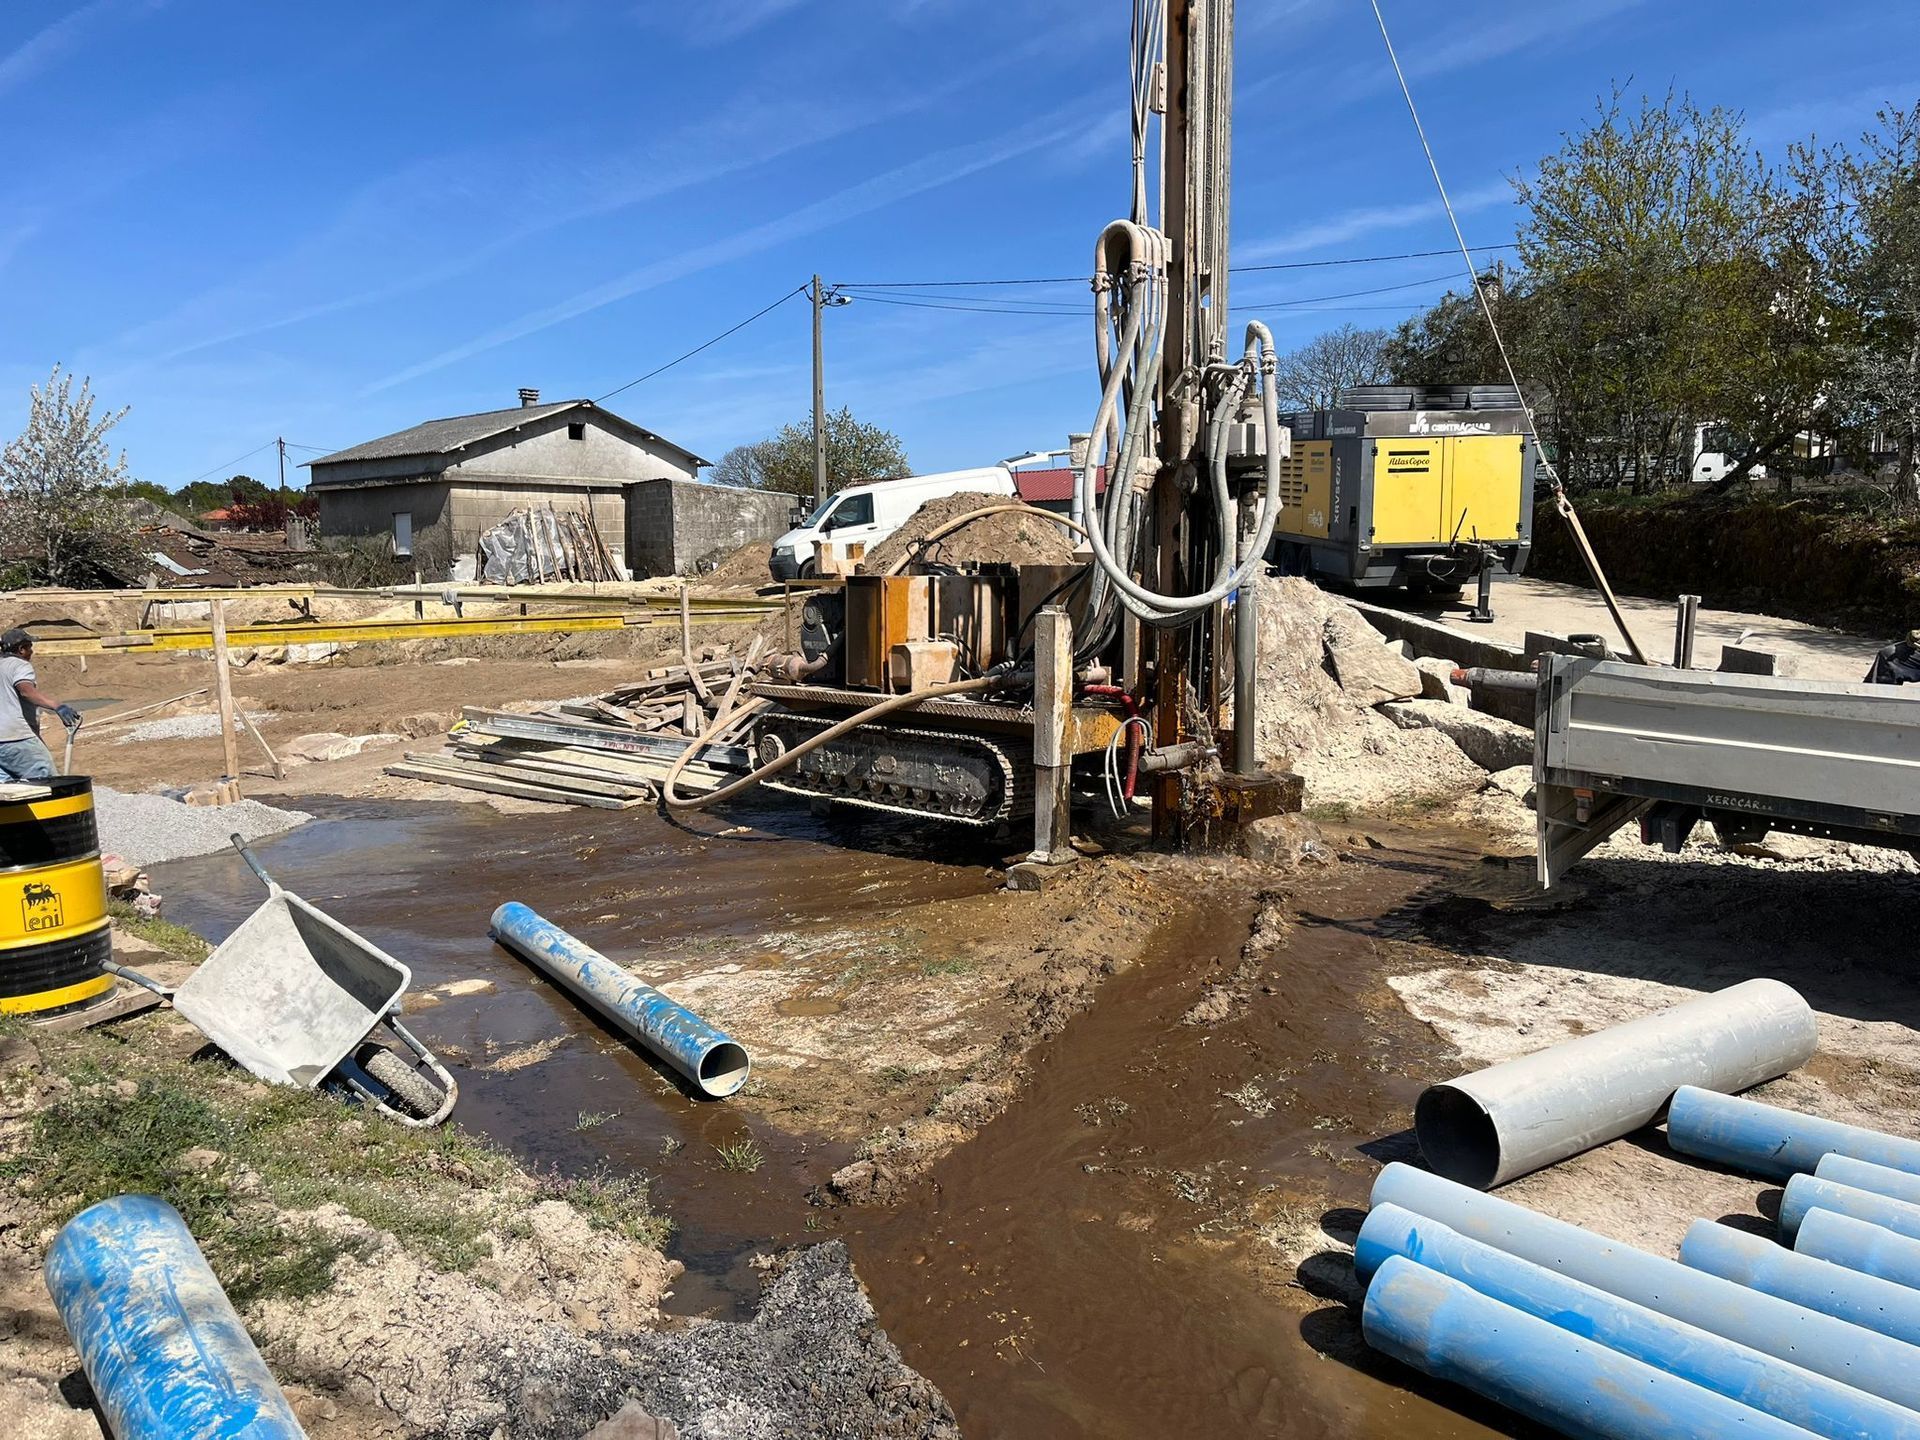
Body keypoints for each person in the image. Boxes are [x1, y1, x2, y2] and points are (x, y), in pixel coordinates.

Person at [0, 629, 80, 782]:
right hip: (15, 738)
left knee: (8, 789)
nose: (32, 651)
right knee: (45, 781)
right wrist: (57, 706)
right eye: (29, 647)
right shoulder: (19, 665)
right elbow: (26, 691)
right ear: (21, 649)